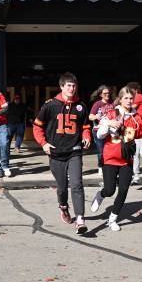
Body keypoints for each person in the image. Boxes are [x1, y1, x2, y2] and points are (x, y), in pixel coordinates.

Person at [90, 86, 142, 231]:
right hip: (110, 157)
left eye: (131, 98)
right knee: (109, 190)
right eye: (125, 98)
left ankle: (113, 218)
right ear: (120, 100)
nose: (129, 100)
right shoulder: (111, 113)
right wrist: (108, 124)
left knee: (123, 190)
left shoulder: (137, 117)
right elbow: (100, 135)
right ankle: (100, 195)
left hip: (127, 159)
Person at [33, 72, 91, 234]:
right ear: (61, 87)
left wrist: (86, 137)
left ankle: (80, 219)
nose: (72, 88)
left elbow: (86, 127)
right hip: (56, 153)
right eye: (68, 86)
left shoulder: (81, 106)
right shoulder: (50, 105)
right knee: (62, 187)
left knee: (77, 184)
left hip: (74, 151)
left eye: (74, 85)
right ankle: (64, 207)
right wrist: (43, 143)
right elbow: (37, 126)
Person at [89, 85, 114, 176]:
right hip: (98, 130)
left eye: (108, 93)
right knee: (101, 151)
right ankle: (100, 166)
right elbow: (90, 117)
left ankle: (109, 167)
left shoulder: (112, 103)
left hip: (110, 131)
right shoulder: (97, 104)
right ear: (100, 94)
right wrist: (96, 116)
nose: (107, 95)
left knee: (111, 150)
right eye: (105, 93)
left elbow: (117, 115)